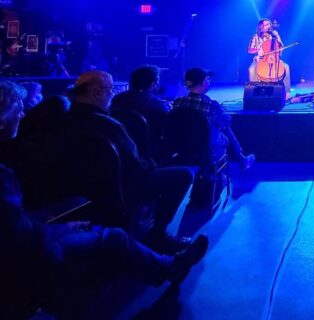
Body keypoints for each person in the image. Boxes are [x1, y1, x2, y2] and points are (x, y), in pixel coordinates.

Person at [0, 80, 209, 318]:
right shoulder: (106, 123)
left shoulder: (55, 123)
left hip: (70, 201)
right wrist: (61, 227)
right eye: (18, 109)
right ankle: (163, 249)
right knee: (114, 236)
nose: (23, 113)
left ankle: (167, 264)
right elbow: (18, 235)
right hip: (21, 255)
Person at [66, 71, 194, 252]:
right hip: (117, 188)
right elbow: (136, 167)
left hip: (76, 188)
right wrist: (152, 165)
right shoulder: (109, 125)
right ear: (96, 92)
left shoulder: (62, 119)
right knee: (183, 174)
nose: (112, 93)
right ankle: (158, 233)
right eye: (110, 89)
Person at [173, 68, 255, 170]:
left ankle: (241, 158)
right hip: (206, 149)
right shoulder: (212, 106)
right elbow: (226, 123)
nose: (209, 81)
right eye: (207, 79)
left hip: (181, 146)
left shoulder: (178, 102)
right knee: (224, 131)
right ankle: (239, 158)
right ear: (203, 83)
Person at [247, 18, 291, 97]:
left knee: (286, 67)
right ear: (261, 27)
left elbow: (281, 47)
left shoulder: (274, 34)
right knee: (251, 69)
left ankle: (287, 92)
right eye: (266, 24)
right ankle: (254, 92)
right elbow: (250, 50)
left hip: (274, 59)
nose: (269, 26)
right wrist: (259, 49)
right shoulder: (256, 36)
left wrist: (277, 38)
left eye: (270, 24)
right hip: (260, 59)